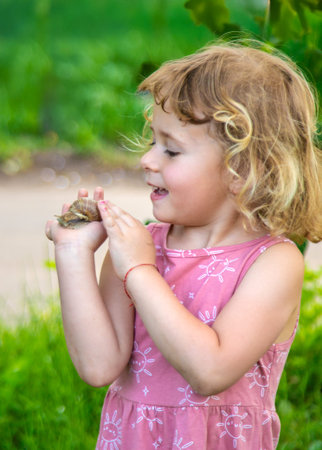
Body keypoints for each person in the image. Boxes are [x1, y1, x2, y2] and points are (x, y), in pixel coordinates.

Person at [46, 40, 321, 449]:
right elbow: (98, 365)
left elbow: (210, 370)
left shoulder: (272, 263)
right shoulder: (139, 246)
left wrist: (139, 272)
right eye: (153, 141)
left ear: (241, 170)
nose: (148, 160)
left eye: (171, 150)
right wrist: (73, 252)